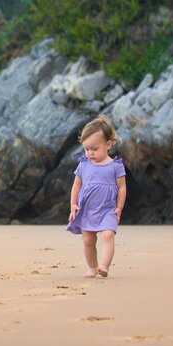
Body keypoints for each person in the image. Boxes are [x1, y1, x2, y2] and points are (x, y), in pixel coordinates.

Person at [67, 114, 127, 278]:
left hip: (108, 209)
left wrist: (119, 207)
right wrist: (73, 204)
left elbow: (122, 188)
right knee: (88, 240)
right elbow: (76, 185)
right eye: (86, 149)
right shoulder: (84, 164)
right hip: (87, 208)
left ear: (108, 145)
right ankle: (92, 267)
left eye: (95, 149)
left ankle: (104, 266)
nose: (90, 153)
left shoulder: (115, 166)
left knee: (108, 235)